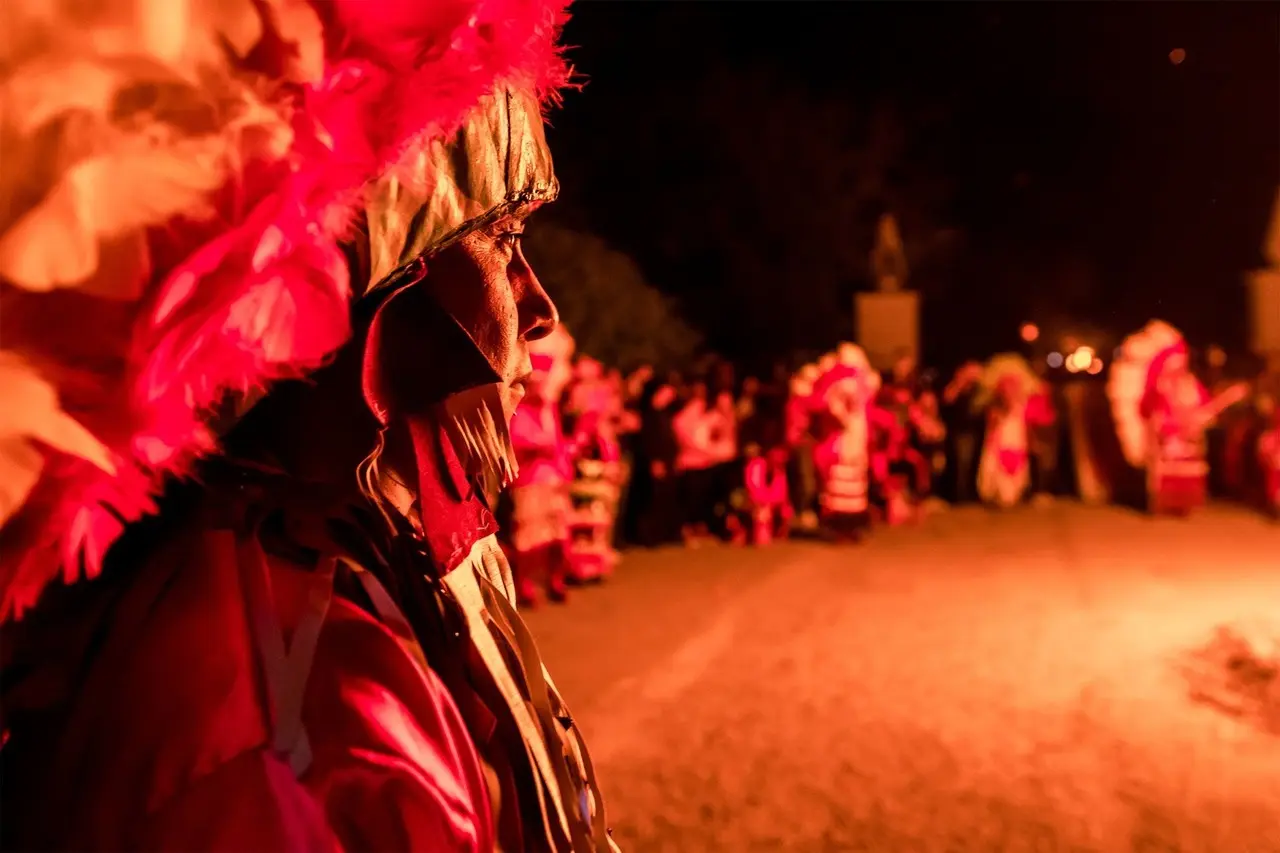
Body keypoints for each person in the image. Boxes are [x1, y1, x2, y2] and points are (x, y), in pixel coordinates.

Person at [0, 2, 619, 850]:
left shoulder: (366, 578)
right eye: (504, 236)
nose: (540, 305)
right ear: (372, 297)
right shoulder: (290, 693)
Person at [1109, 321, 1246, 516]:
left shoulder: (1190, 383)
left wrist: (1226, 398)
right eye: (1174, 360)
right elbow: (1153, 410)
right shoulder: (1160, 386)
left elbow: (1204, 408)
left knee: (1187, 465)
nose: (1178, 364)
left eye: (1181, 359)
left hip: (1187, 436)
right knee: (1166, 468)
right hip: (1167, 436)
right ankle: (1162, 504)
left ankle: (1183, 505)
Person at [507, 351, 574, 607]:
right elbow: (511, 443)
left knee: (557, 534)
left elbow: (556, 442)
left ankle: (555, 581)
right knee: (529, 535)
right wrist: (536, 448)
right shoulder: (516, 408)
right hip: (529, 480)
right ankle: (525, 586)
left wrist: (563, 468)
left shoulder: (549, 410)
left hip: (554, 479)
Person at [811, 346, 884, 542]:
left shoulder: (853, 382)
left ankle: (850, 526)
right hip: (844, 438)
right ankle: (841, 527)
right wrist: (845, 419)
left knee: (852, 482)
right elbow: (833, 404)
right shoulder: (845, 382)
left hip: (853, 436)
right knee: (841, 481)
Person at [972, 354, 1054, 509]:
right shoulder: (995, 409)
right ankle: (998, 495)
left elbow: (1040, 419)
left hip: (1018, 443)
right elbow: (992, 430)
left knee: (1017, 471)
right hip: (1000, 445)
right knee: (997, 470)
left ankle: (1014, 494)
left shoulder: (1025, 405)